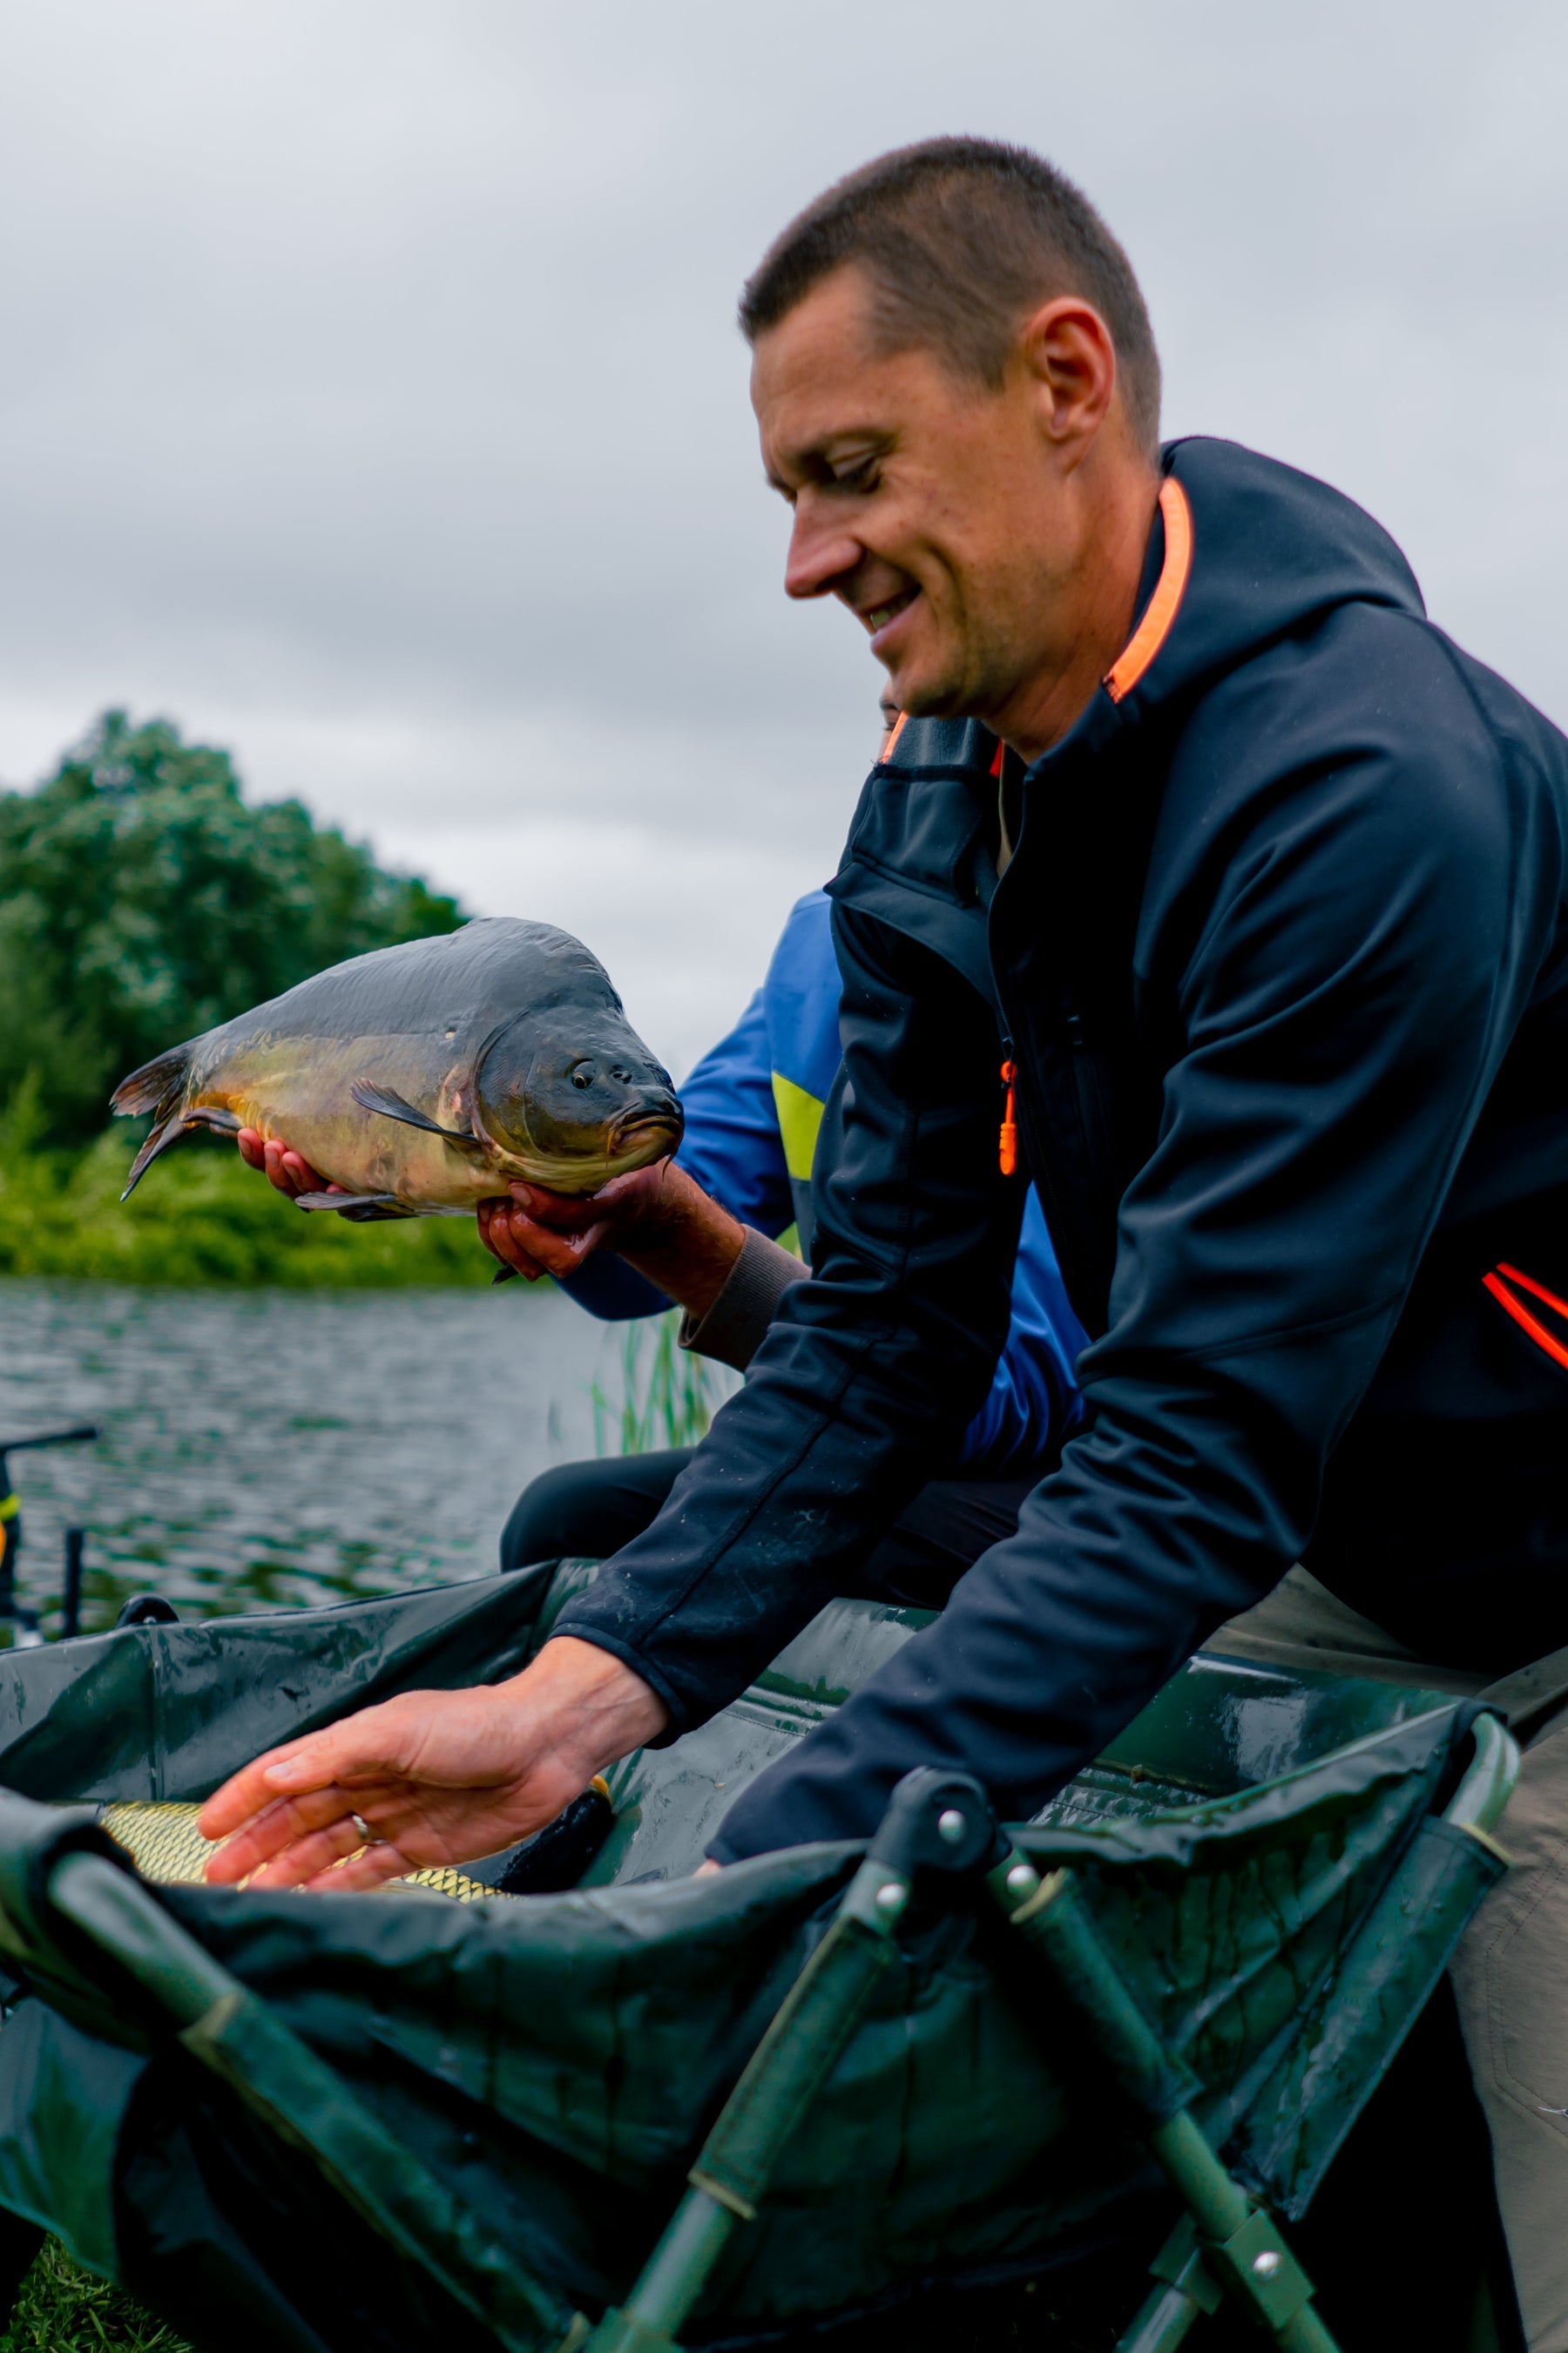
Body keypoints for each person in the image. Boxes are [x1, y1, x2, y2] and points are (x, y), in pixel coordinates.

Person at [202, 139, 1568, 2338]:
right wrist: (574, 1703)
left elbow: (1180, 1458)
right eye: (783, 491)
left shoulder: (1362, 789)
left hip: (1531, 1575)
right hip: (1329, 1545)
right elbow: (889, 1333)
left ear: (1061, 380)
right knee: (1215, 2154)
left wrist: (735, 1892)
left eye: (846, 470)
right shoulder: (944, 781)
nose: (803, 558)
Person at [495, 874, 1085, 1602]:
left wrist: (686, 1238)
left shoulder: (1100, 932)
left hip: (1115, 1468)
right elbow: (631, 1255)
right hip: (902, 1422)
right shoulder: (824, 937)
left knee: (816, 1545)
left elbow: (990, 1400)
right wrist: (500, 1150)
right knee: (566, 1522)